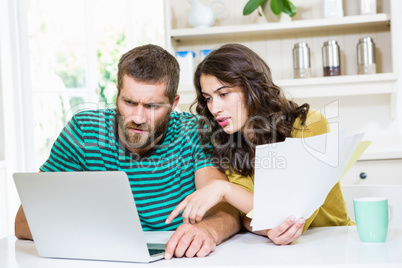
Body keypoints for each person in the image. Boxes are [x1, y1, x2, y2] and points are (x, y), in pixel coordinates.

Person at [14, 44, 241, 259]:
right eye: (129, 102)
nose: (138, 118)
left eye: (152, 106)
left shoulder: (195, 131)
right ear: (117, 94)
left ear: (173, 104)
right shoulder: (84, 131)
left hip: (178, 258)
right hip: (102, 257)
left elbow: (225, 210)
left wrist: (208, 231)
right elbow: (25, 221)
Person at [166, 43, 352, 245]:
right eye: (208, 98)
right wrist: (268, 231)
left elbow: (296, 218)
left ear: (251, 88)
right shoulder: (228, 141)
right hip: (278, 251)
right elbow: (246, 216)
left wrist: (224, 189)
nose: (214, 108)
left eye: (223, 94)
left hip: (335, 240)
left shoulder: (309, 125)